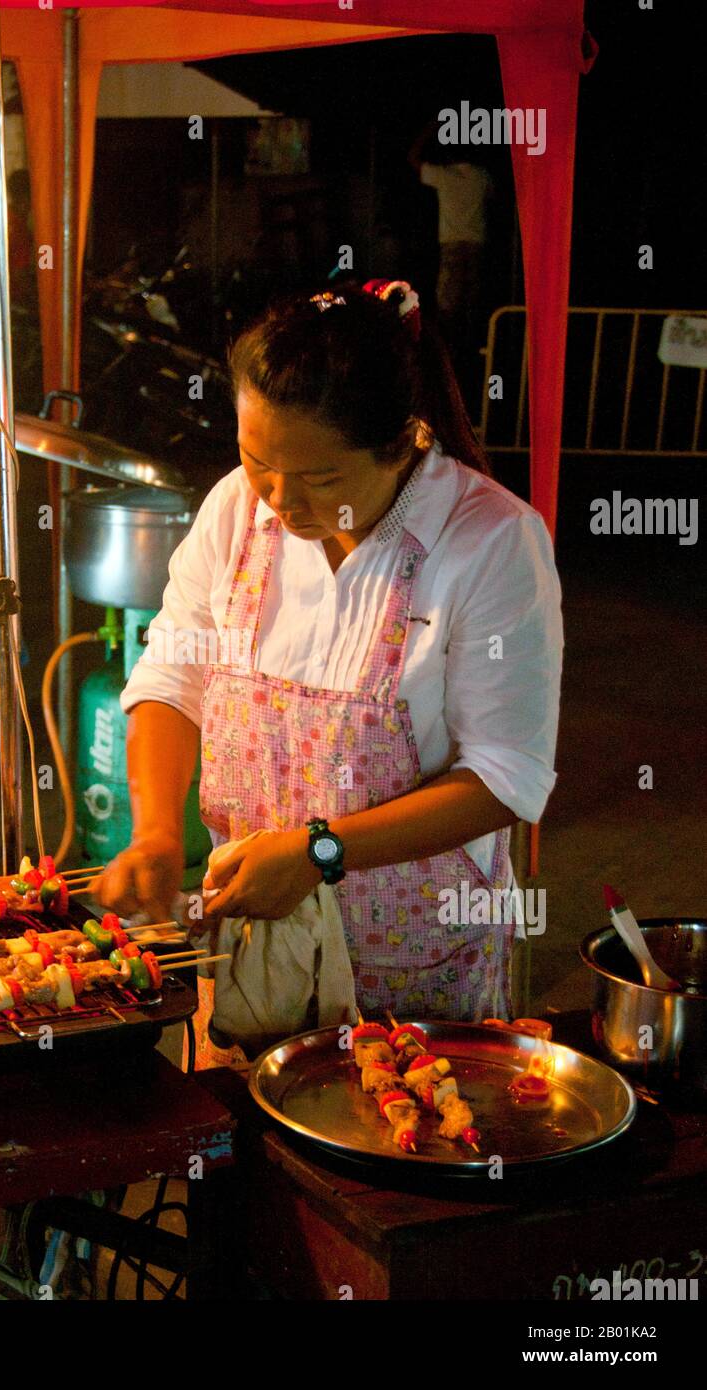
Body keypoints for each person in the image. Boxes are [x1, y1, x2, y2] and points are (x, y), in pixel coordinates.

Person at [93, 279, 562, 1066]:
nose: (278, 500)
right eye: (257, 463)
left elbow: (506, 776)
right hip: (255, 950)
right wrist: (154, 833)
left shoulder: (491, 542)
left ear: (404, 441)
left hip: (414, 976)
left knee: (402, 1151)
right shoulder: (235, 512)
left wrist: (320, 854)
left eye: (319, 481)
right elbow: (173, 677)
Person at [408, 120, 493, 394]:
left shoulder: (445, 176)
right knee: (472, 303)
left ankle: (448, 359)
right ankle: (470, 357)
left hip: (452, 245)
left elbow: (413, 160)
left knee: (448, 304)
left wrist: (428, 129)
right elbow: (495, 196)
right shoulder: (482, 176)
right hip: (478, 243)